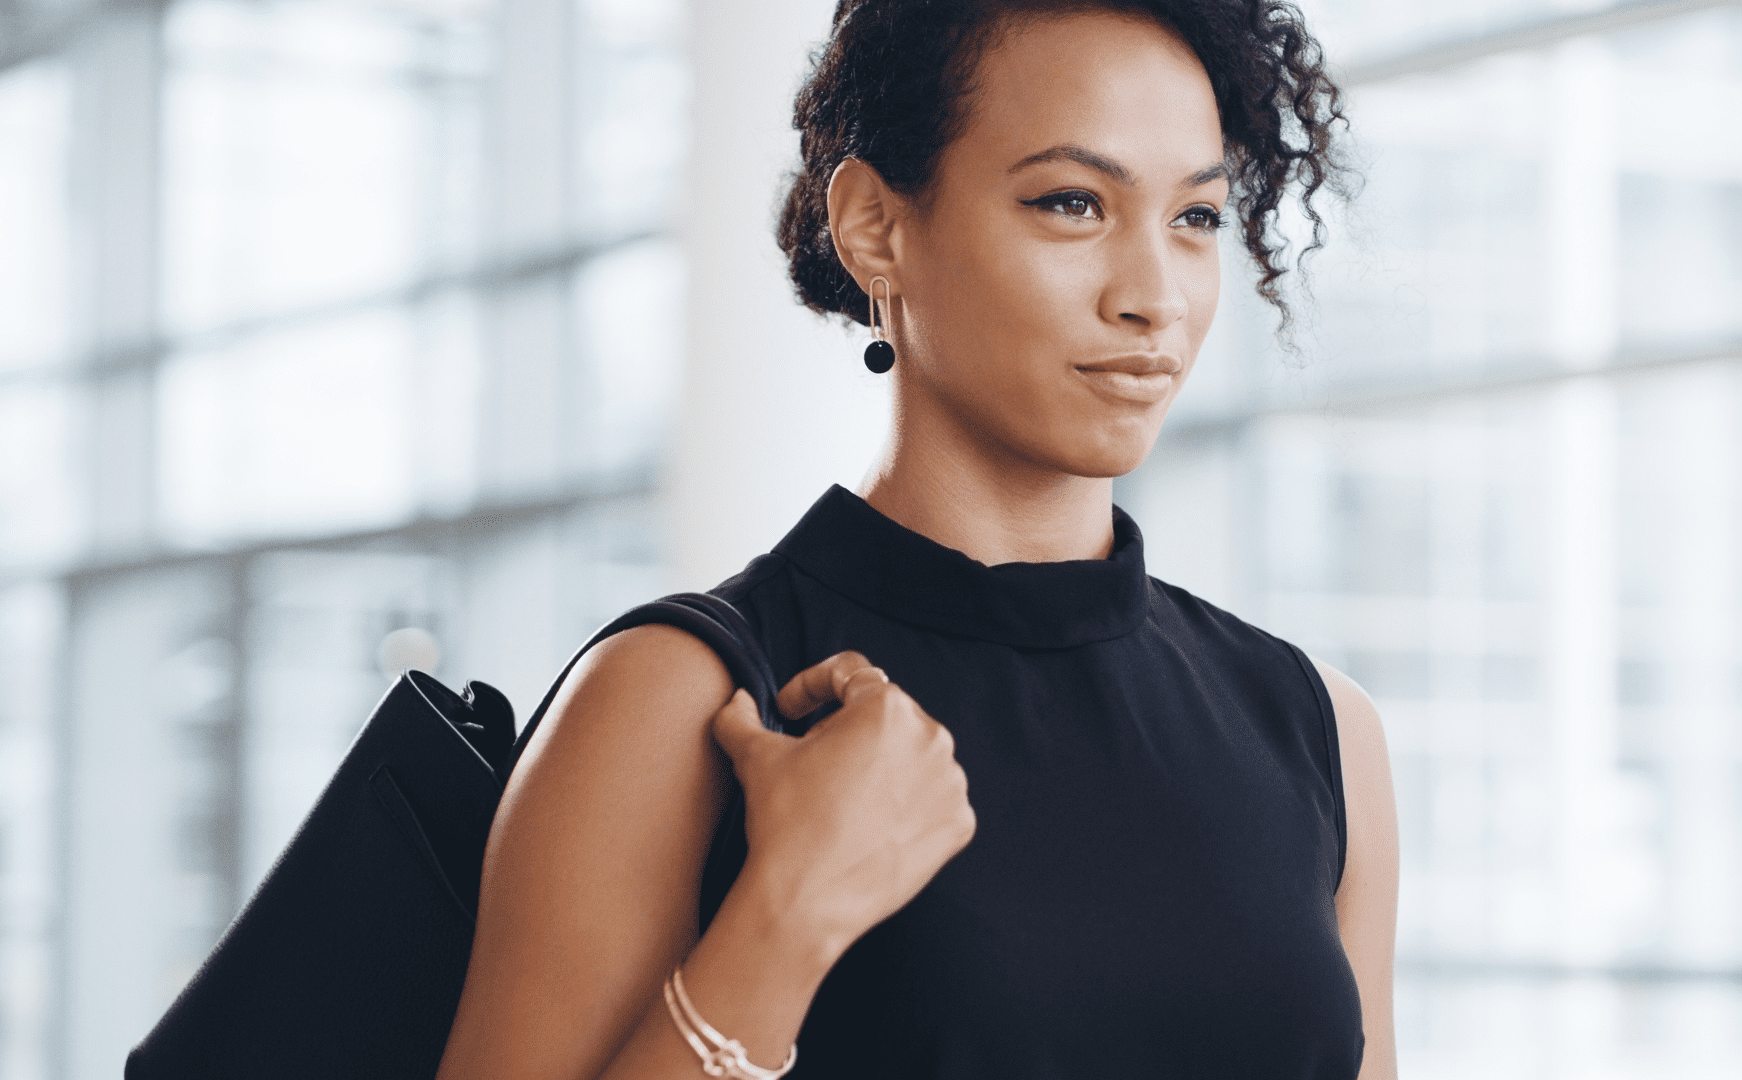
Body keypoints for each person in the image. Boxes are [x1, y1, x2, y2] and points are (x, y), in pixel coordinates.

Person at [435, 1, 1397, 1077]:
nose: (1154, 298)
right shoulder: (678, 698)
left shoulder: (1319, 727)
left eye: (1196, 217)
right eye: (1072, 203)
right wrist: (787, 915)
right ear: (875, 229)